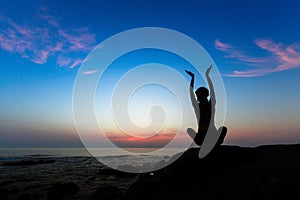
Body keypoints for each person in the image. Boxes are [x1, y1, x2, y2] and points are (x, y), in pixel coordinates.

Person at [185, 65, 227, 148]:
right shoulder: (198, 106)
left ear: (205, 96)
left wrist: (207, 76)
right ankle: (213, 142)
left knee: (223, 128)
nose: (198, 98)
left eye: (200, 96)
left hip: (211, 135)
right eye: (198, 96)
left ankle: (214, 142)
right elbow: (191, 93)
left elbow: (212, 91)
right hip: (202, 137)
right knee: (189, 130)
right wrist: (193, 78)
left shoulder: (210, 104)